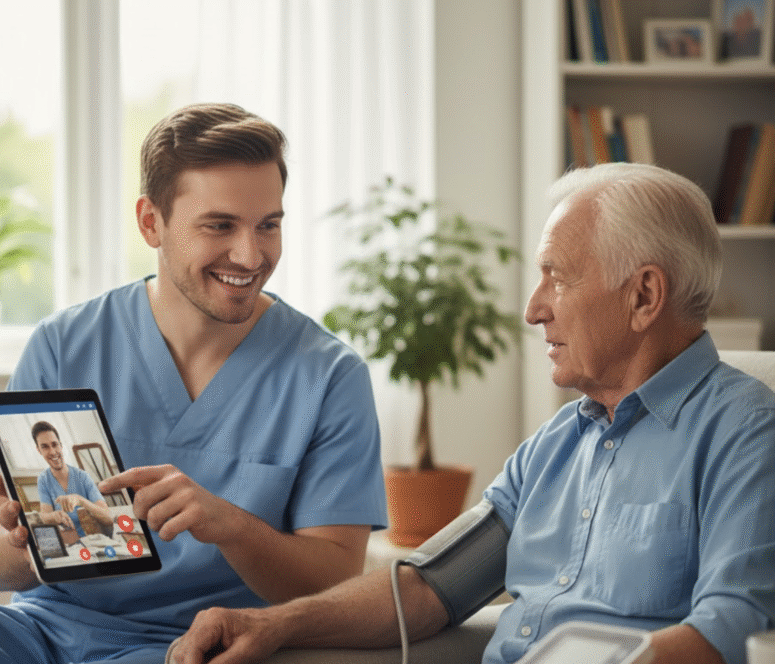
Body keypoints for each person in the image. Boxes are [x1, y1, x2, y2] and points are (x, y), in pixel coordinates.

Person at [169, 162, 775, 664]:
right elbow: (427, 588)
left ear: (643, 295)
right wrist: (272, 625)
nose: (534, 310)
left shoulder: (747, 433)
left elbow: (732, 630)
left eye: (556, 280)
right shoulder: (558, 442)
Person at [0, 103, 387, 664]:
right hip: (38, 629)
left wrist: (232, 526)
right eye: (220, 225)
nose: (251, 255)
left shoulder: (328, 376)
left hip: (188, 647)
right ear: (151, 222)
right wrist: (23, 545)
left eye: (268, 225)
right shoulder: (64, 342)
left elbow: (335, 581)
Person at [31, 420, 112, 538]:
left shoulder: (83, 476)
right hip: (71, 542)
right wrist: (54, 516)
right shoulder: (43, 480)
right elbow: (45, 516)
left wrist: (80, 500)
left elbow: (108, 518)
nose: (53, 452)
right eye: (45, 447)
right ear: (39, 450)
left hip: (96, 537)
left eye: (55, 444)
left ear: (61, 445)